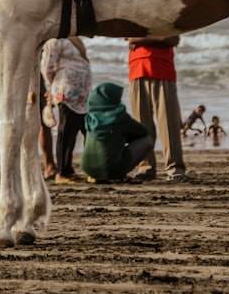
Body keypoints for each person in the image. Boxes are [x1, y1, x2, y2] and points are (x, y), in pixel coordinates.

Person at [127, 35, 188, 182]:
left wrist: (140, 40)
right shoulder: (135, 14)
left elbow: (172, 39)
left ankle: (175, 168)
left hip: (162, 67)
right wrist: (159, 40)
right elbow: (130, 38)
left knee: (168, 124)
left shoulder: (164, 13)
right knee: (142, 125)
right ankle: (146, 167)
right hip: (137, 68)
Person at [40, 37, 93, 184]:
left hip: (81, 93)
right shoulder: (54, 40)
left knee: (84, 129)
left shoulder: (74, 39)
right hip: (66, 91)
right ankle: (62, 172)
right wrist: (53, 86)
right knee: (67, 131)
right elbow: (47, 67)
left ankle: (78, 169)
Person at [80, 82, 154, 183]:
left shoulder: (89, 117)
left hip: (87, 167)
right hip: (109, 169)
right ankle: (118, 174)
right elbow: (143, 132)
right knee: (147, 141)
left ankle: (95, 176)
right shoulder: (119, 117)